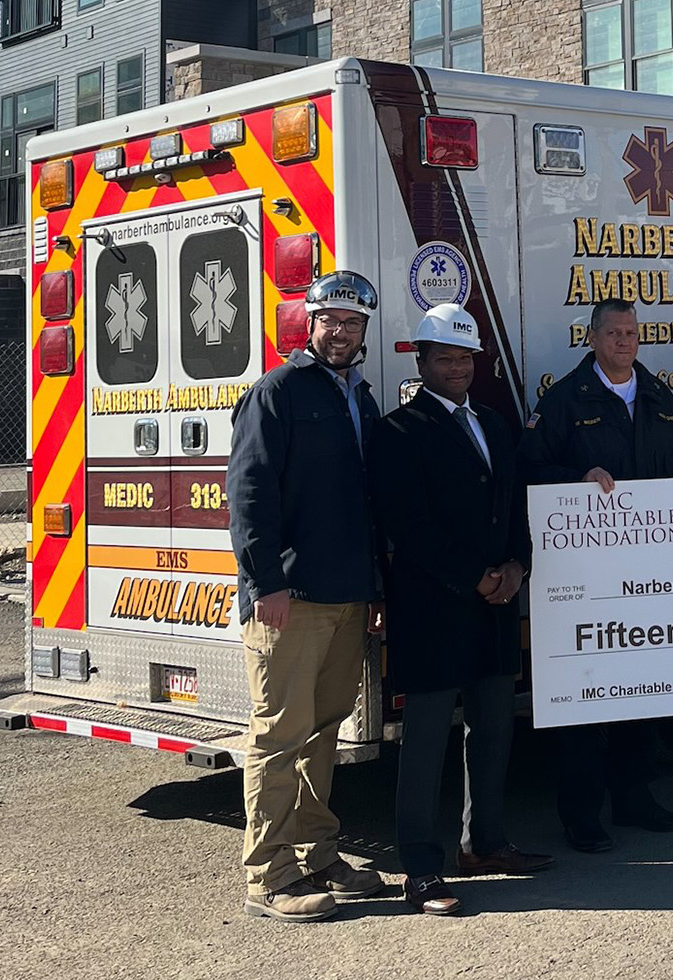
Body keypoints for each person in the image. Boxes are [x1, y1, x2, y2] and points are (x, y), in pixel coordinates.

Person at [369, 304, 554, 916]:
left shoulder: (494, 425)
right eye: (445, 358)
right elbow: (409, 526)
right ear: (421, 362)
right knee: (424, 744)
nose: (457, 368)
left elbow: (515, 506)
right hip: (434, 611)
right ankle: (421, 870)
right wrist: (475, 576)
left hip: (494, 606)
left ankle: (485, 844)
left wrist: (518, 566)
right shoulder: (399, 431)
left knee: (493, 730)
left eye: (465, 358)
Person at [227, 270, 386, 921]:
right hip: (289, 599)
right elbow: (250, 494)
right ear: (310, 324)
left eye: (352, 323)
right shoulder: (277, 392)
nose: (340, 332)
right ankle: (267, 876)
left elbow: (369, 504)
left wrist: (375, 589)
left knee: (323, 733)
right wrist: (266, 582)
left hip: (347, 596)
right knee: (279, 736)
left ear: (364, 329)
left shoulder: (361, 398)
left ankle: (316, 852)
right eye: (330, 321)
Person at [517, 297, 673, 852]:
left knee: (641, 689)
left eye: (631, 333)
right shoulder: (564, 400)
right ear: (591, 337)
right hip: (584, 577)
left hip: (649, 572)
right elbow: (529, 468)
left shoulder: (660, 397)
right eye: (613, 333)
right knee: (585, 695)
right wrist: (576, 478)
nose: (623, 342)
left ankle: (635, 798)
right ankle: (582, 814)